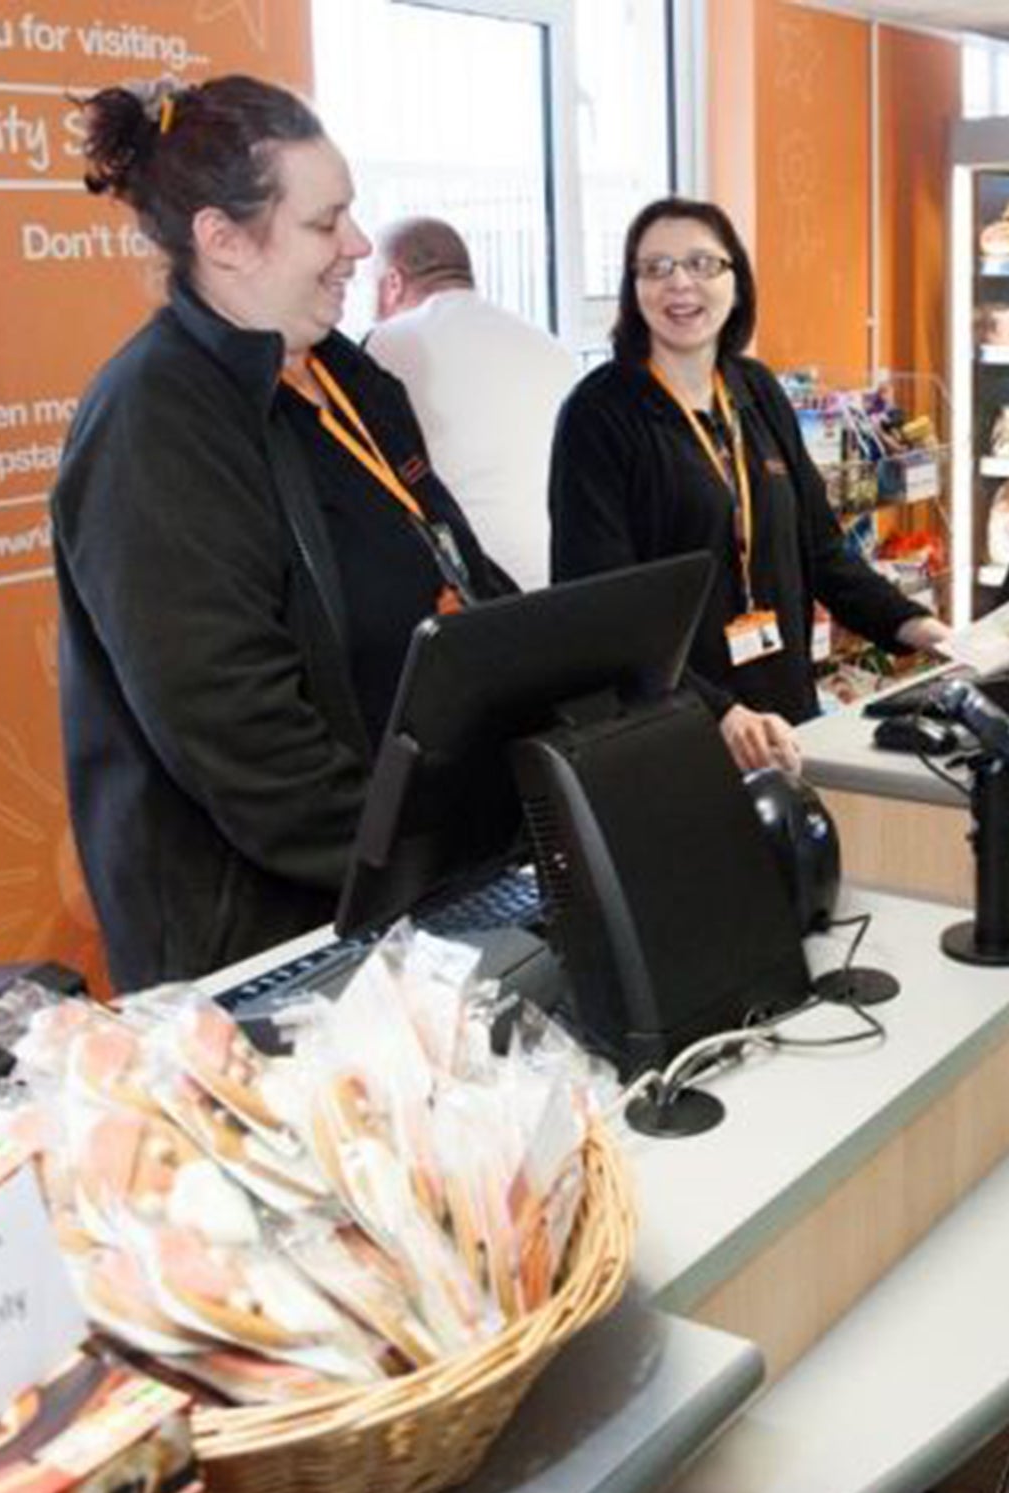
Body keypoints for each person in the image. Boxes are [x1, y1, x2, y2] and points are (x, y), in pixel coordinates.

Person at [53, 76, 511, 991]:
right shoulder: (155, 421)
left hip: (411, 898)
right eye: (323, 222)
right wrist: (420, 863)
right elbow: (243, 739)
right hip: (276, 951)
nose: (354, 245)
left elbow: (461, 571)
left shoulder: (345, 378)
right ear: (222, 240)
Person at [550, 197, 950, 772]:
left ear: (735, 278)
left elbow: (822, 551)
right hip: (671, 735)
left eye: (703, 264)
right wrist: (719, 713)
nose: (680, 284)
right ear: (632, 289)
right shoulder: (599, 414)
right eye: (656, 268)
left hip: (784, 721)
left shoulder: (754, 390)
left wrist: (922, 628)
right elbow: (602, 608)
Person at [365, 216, 577, 589]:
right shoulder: (551, 346)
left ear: (393, 283)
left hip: (470, 598)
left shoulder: (381, 347)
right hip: (564, 585)